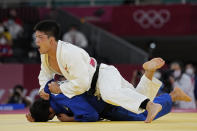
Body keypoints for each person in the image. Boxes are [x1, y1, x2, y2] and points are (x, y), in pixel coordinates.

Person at [34, 20, 166, 123]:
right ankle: (148, 73)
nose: (36, 41)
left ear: (51, 40)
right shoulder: (45, 55)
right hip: (98, 84)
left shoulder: (69, 54)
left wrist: (60, 89)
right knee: (135, 97)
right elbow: (45, 74)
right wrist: (42, 89)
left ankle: (150, 105)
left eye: (40, 37)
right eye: (36, 37)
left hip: (103, 76)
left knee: (110, 94)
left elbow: (83, 84)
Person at [26, 79, 191, 122]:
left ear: (49, 112)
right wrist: (33, 115)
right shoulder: (54, 97)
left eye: (50, 117)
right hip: (105, 93)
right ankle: (167, 93)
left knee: (142, 115)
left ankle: (172, 96)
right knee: (137, 97)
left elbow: (91, 115)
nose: (53, 117)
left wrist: (72, 118)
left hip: (109, 107)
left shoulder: (64, 101)